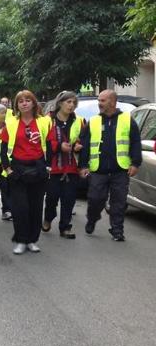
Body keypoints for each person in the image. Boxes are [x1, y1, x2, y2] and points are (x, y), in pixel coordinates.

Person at [79, 89, 142, 241]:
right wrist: (82, 166)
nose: (99, 104)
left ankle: (117, 230)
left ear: (113, 102)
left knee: (119, 202)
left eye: (103, 100)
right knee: (95, 199)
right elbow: (85, 145)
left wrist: (135, 163)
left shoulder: (127, 120)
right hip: (98, 170)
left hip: (120, 170)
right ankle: (92, 219)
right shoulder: (93, 121)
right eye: (99, 100)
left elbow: (135, 143)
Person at [0, 90, 51, 254]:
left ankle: (32, 240)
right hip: (18, 169)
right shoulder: (11, 123)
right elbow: (3, 148)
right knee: (20, 208)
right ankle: (21, 240)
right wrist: (7, 169)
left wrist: (48, 166)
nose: (24, 103)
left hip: (38, 168)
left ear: (34, 103)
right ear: (16, 105)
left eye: (27, 100)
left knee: (36, 207)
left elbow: (49, 146)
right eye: (20, 101)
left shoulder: (44, 122)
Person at [43, 91, 85, 239]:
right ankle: (48, 218)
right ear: (60, 103)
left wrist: (78, 146)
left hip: (72, 166)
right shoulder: (48, 120)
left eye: (74, 103)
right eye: (68, 102)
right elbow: (44, 142)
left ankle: (65, 227)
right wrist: (59, 146)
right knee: (52, 198)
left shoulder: (79, 121)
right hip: (53, 167)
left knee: (69, 198)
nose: (71, 105)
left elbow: (83, 140)